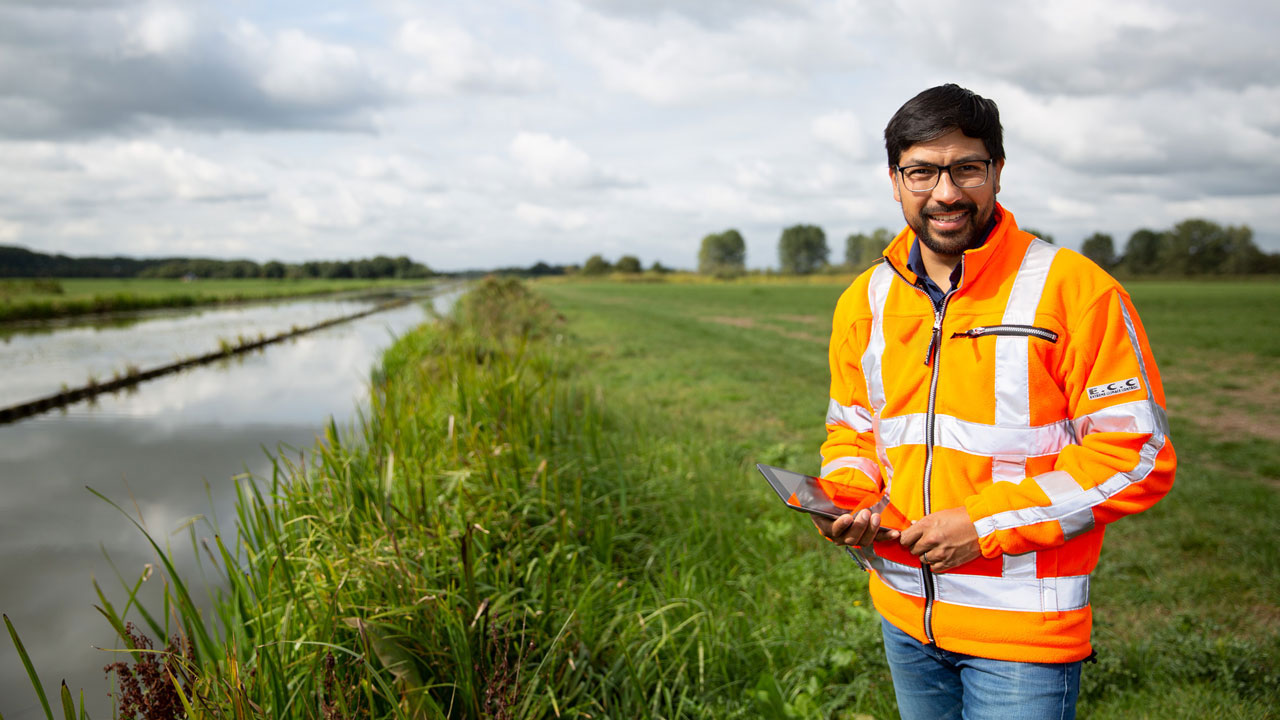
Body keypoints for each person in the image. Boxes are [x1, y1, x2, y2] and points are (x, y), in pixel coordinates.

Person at [812, 84, 1176, 719]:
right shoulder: (864, 300)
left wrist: (984, 526)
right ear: (895, 181)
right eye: (922, 171)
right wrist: (845, 498)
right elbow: (856, 433)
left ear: (998, 173)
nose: (946, 192)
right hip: (905, 615)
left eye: (967, 168)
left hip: (1022, 635)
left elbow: (1136, 457)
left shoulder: (1075, 290)